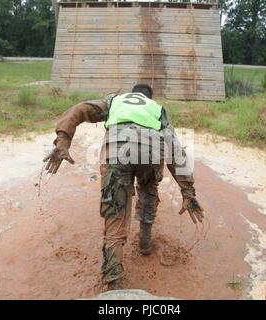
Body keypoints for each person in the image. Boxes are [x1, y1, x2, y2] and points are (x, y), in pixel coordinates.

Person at [43, 84, 205, 290]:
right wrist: (188, 191)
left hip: (118, 151)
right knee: (148, 190)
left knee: (115, 216)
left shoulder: (114, 101)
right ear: (149, 97)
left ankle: (113, 282)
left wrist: (62, 141)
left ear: (132, 94)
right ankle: (145, 245)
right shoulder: (157, 109)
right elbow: (175, 149)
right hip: (151, 153)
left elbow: (79, 109)